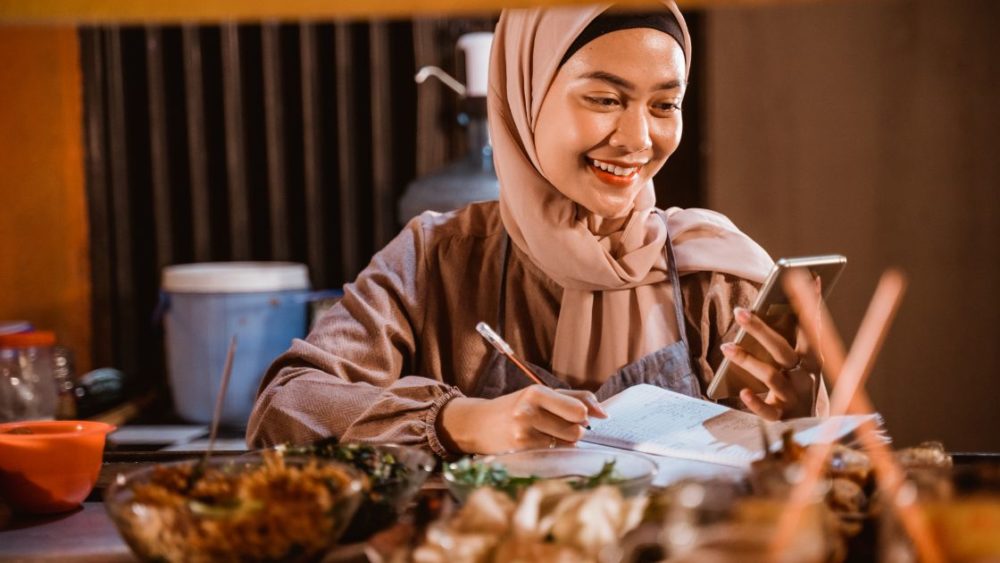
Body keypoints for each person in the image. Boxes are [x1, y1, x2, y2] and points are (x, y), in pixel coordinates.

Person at [247, 1, 829, 456]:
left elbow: (816, 481)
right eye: (604, 98)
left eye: (664, 105)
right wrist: (459, 421)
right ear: (524, 97)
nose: (638, 140)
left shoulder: (718, 276)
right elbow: (285, 406)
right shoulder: (436, 259)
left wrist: (801, 422)